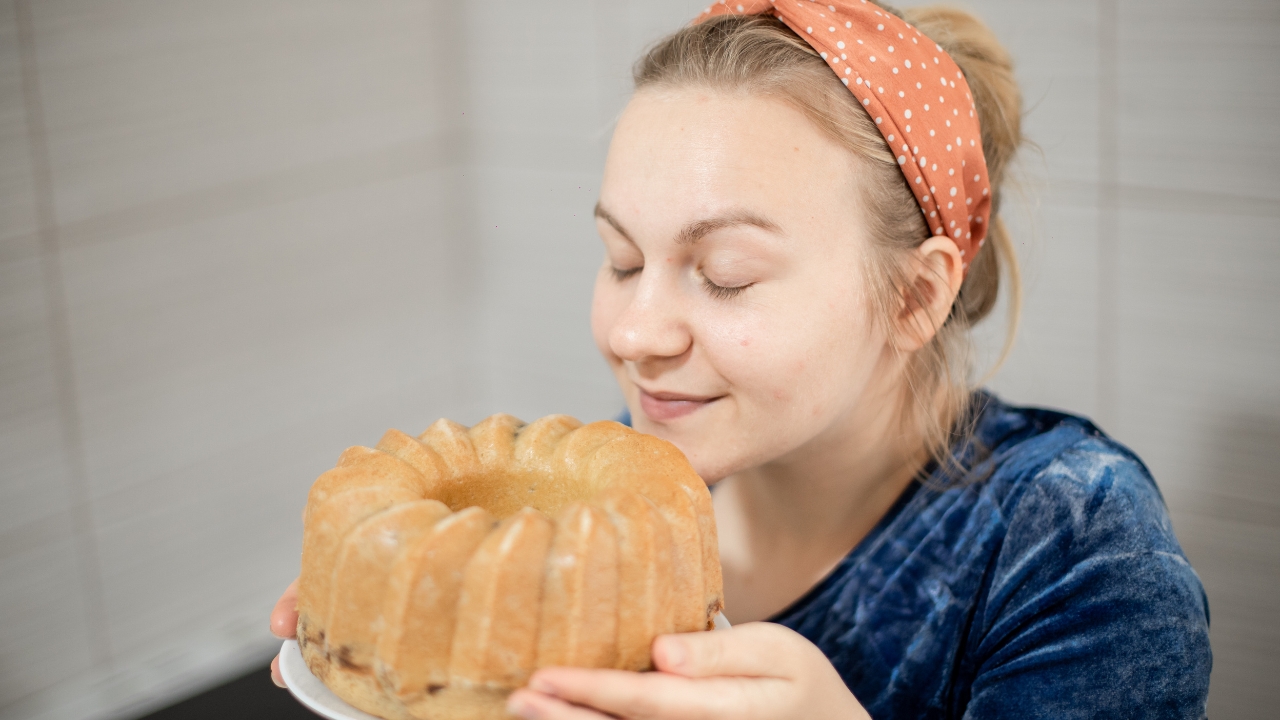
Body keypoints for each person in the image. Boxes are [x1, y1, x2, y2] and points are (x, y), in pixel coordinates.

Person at [270, 3, 1212, 718]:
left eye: (723, 275)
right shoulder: (604, 518)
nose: (637, 334)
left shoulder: (1070, 544)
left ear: (917, 297)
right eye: (622, 260)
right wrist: (408, 613)